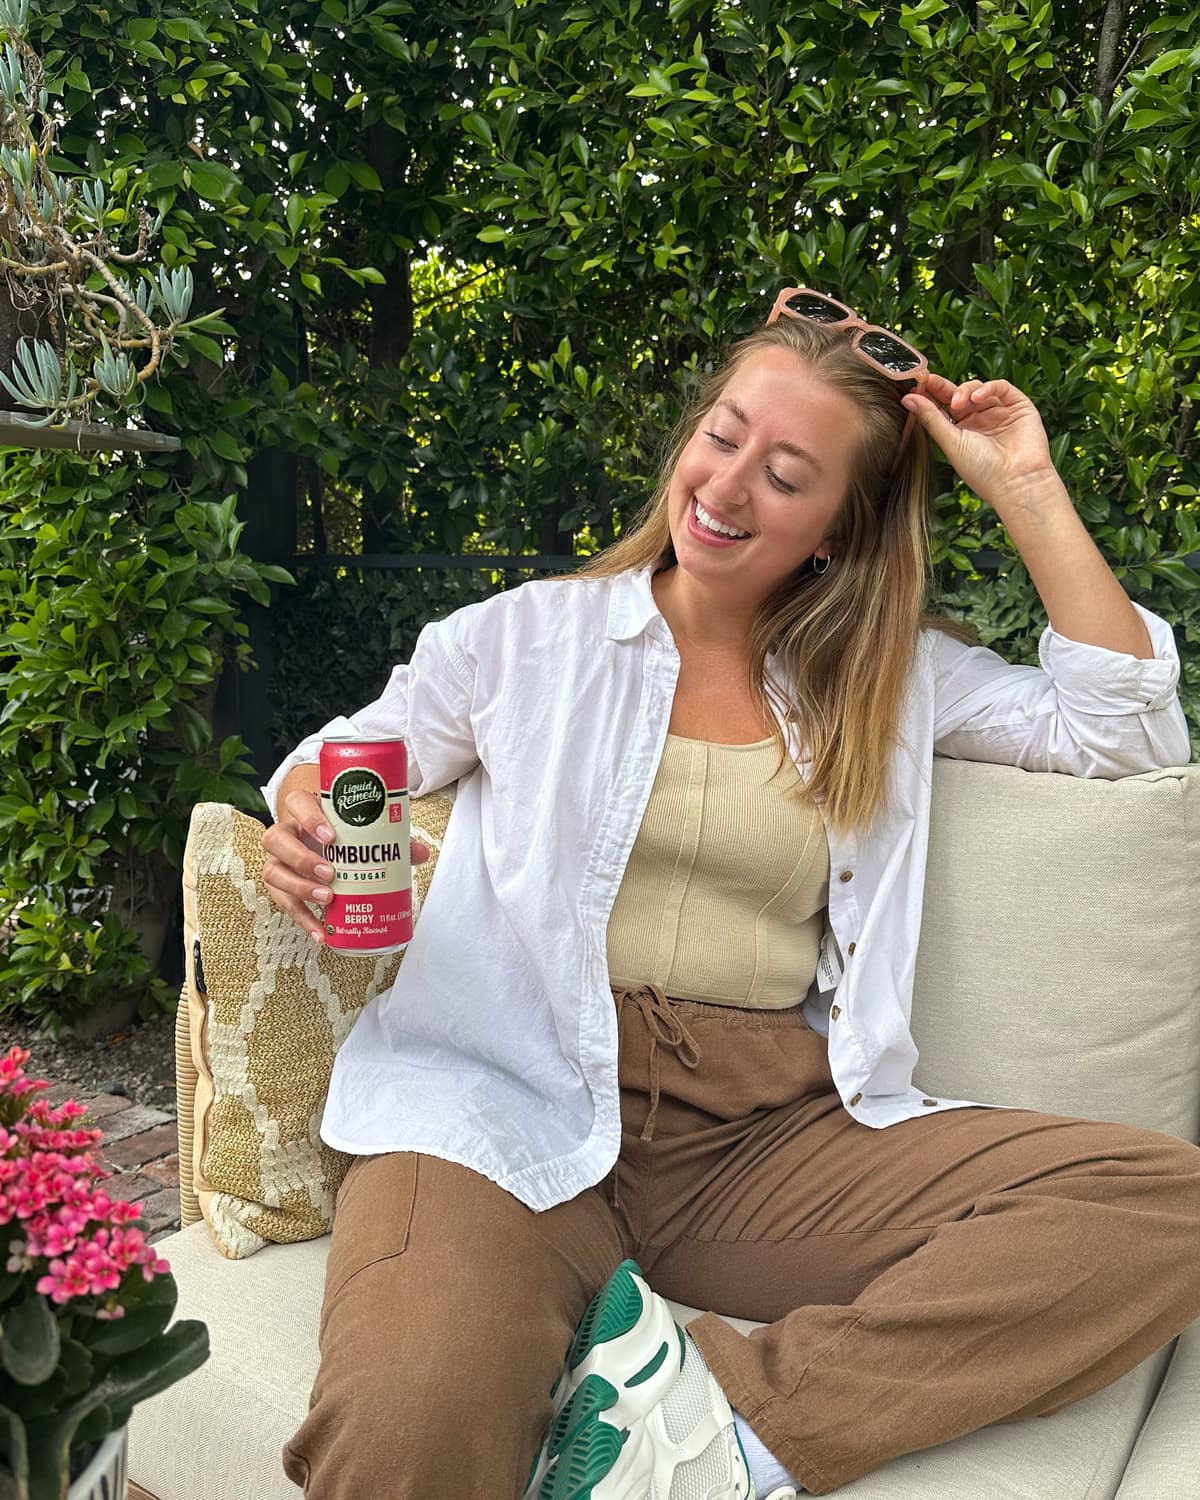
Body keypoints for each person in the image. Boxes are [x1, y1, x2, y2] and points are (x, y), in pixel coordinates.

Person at [260, 288, 1200, 1500]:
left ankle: (717, 1442)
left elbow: (1122, 732)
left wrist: (1023, 485)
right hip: (503, 1104)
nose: (730, 483)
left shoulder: (891, 680)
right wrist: (301, 816)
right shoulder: (518, 640)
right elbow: (351, 757)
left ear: (835, 530)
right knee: (408, 1422)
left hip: (764, 1139)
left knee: (1158, 1202)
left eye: (790, 471)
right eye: (723, 434)